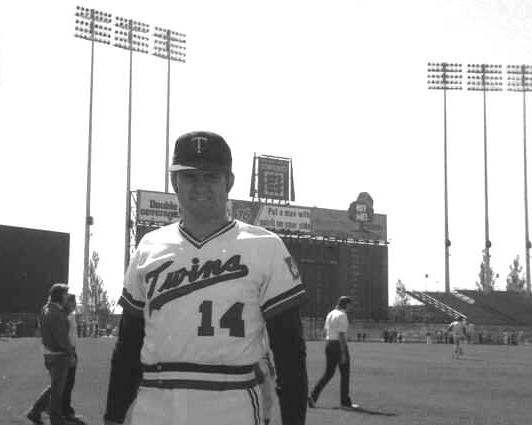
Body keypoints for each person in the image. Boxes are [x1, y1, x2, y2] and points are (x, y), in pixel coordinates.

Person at [102, 131, 308, 425]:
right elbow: (128, 345)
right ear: (175, 183)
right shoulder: (149, 246)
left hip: (232, 403)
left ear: (229, 182)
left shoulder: (266, 246)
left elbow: (289, 352)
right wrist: (113, 416)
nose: (200, 186)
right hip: (155, 404)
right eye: (189, 177)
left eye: (210, 177)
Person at [27, 283, 76, 425]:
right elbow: (62, 338)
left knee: (55, 386)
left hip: (49, 353)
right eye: (65, 294)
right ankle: (55, 419)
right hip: (59, 355)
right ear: (60, 295)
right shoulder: (56, 313)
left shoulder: (46, 309)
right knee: (57, 390)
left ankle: (35, 412)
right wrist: (70, 353)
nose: (67, 297)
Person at [308, 296, 358, 409]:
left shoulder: (330, 314)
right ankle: (345, 402)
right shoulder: (342, 315)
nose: (351, 307)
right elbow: (341, 335)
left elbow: (325, 330)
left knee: (328, 373)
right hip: (338, 346)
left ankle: (313, 396)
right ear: (346, 304)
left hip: (329, 344)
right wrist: (343, 352)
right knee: (345, 374)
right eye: (350, 305)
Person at [62, 294, 86, 425]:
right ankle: (65, 412)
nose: (75, 304)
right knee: (66, 384)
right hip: (68, 351)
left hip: (71, 350)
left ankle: (64, 410)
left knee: (65, 384)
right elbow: (64, 337)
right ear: (68, 303)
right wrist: (70, 354)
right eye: (73, 302)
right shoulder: (66, 316)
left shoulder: (70, 316)